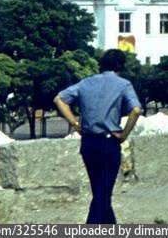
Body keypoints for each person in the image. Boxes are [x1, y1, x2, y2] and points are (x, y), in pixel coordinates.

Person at [54, 49, 142, 224]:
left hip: (88, 143)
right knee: (102, 195)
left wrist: (74, 122)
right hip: (109, 142)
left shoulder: (86, 83)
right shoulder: (123, 84)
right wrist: (124, 134)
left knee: (100, 192)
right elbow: (136, 109)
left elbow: (59, 99)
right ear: (121, 66)